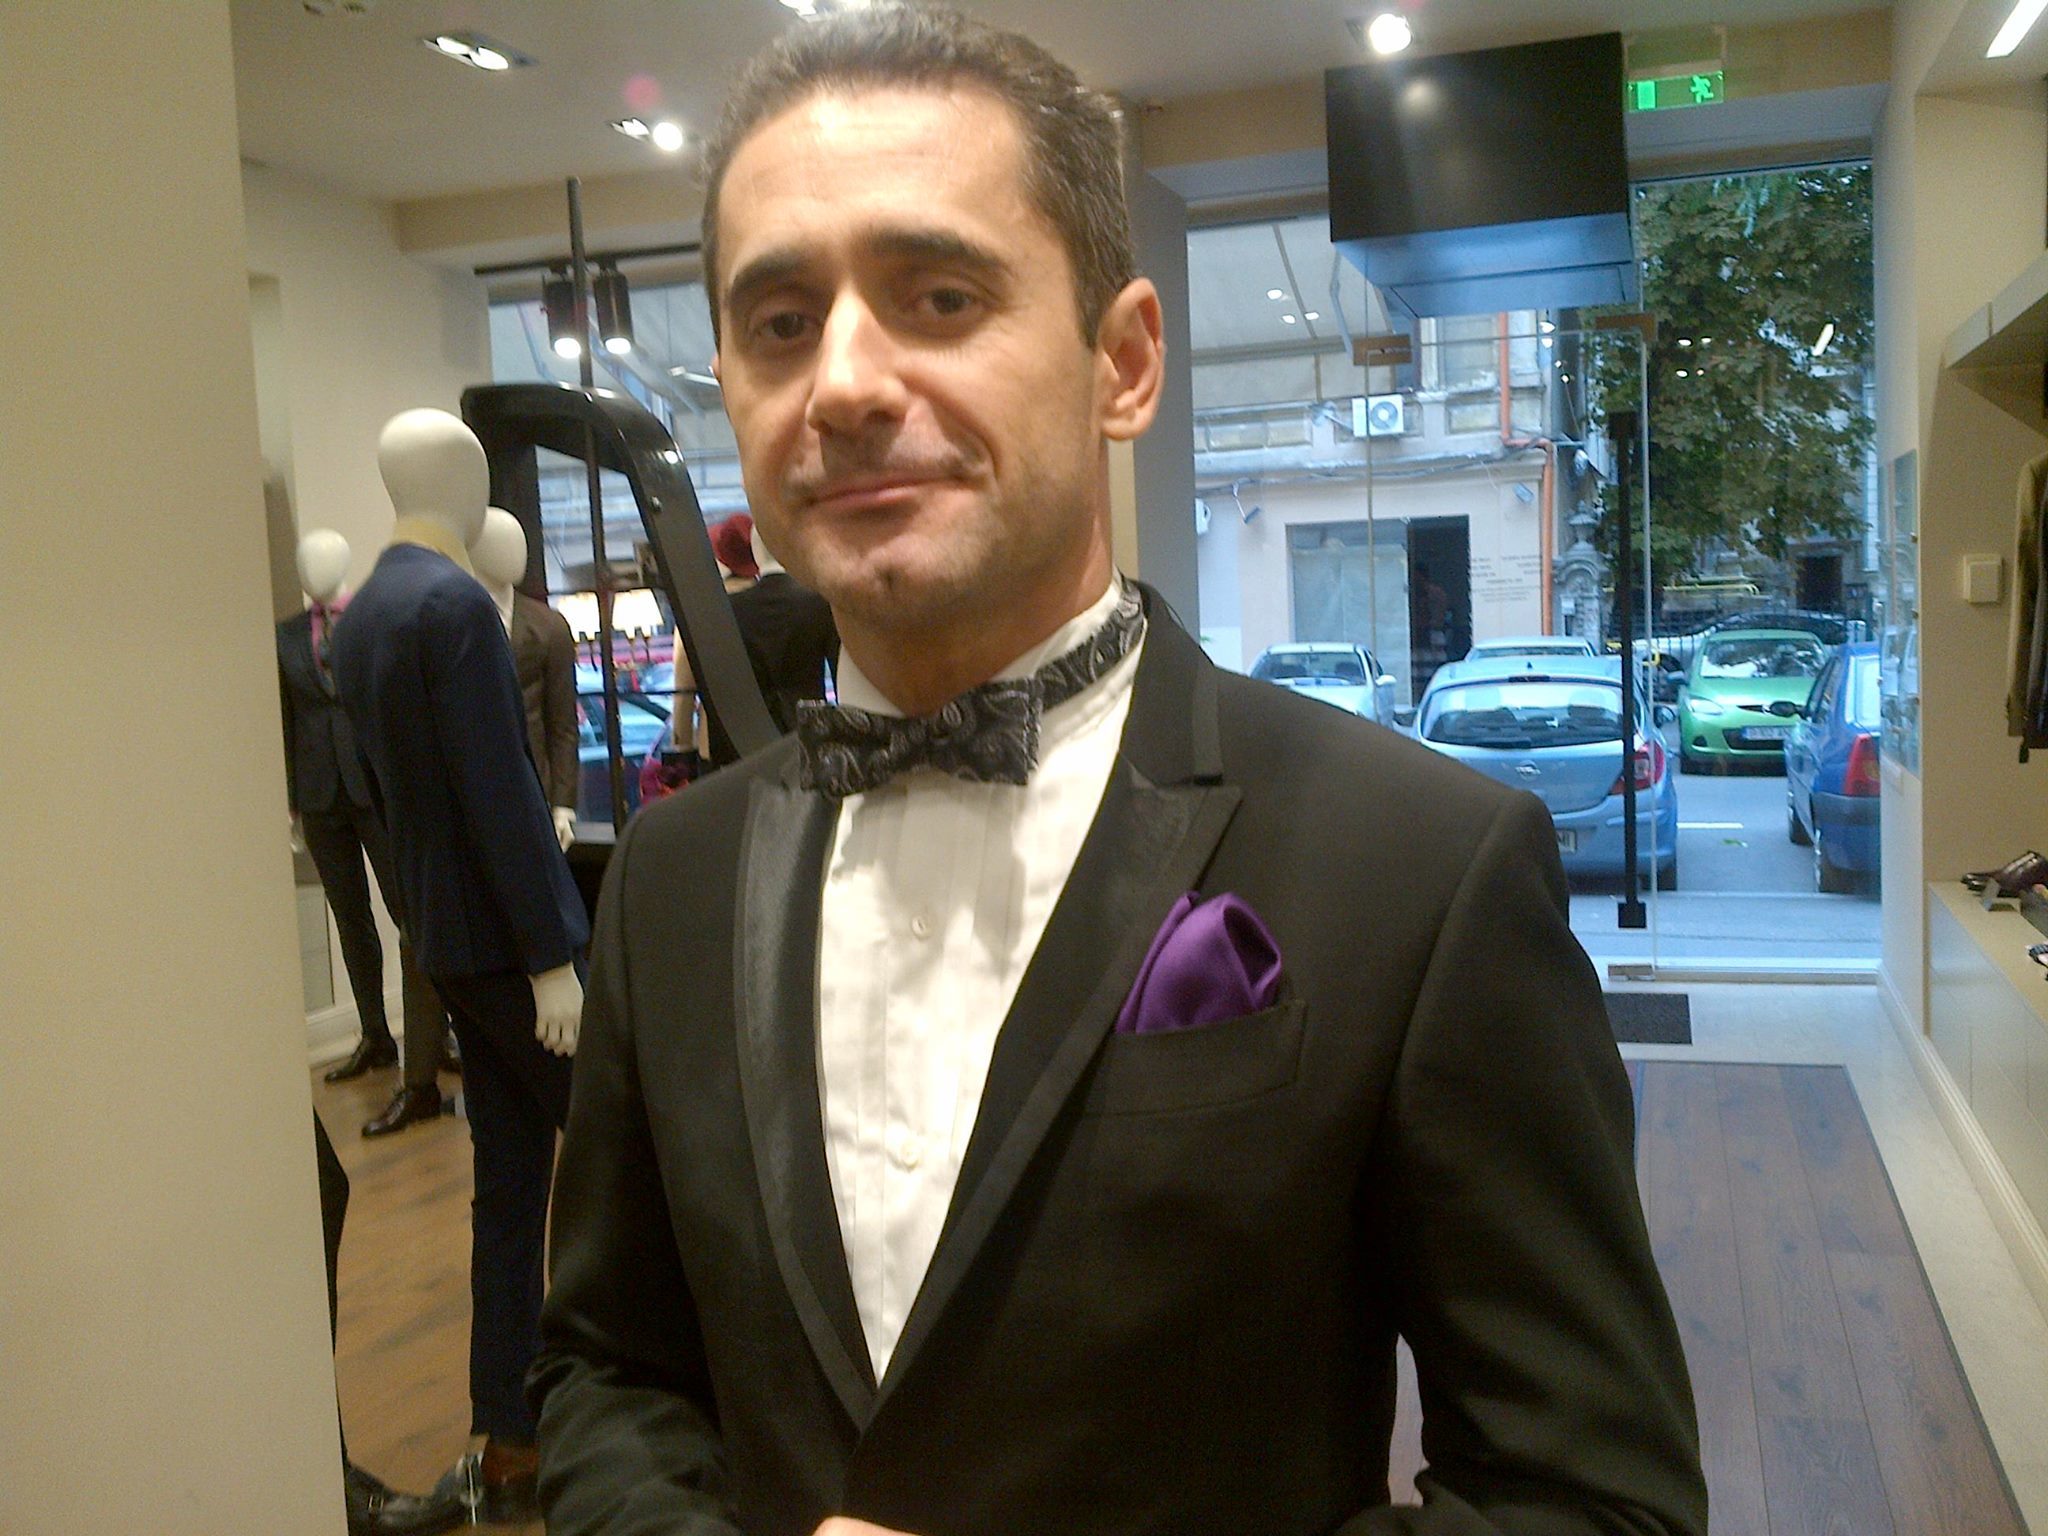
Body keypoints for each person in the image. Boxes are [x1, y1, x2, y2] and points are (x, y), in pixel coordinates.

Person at [531, 10, 1706, 1536]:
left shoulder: (1421, 866)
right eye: (779, 322)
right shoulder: (673, 882)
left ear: (1125, 362)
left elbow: (1594, 1500)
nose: (844, 383)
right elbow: (608, 1370)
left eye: (939, 296)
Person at [331, 407, 586, 1524]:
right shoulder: (453, 608)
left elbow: (382, 799)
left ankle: (511, 1432)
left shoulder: (360, 617)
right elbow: (501, 792)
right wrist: (551, 956)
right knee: (631, 1148)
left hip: (444, 938)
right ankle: (677, 1398)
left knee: (510, 1184)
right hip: (508, 949)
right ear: (466, 481)